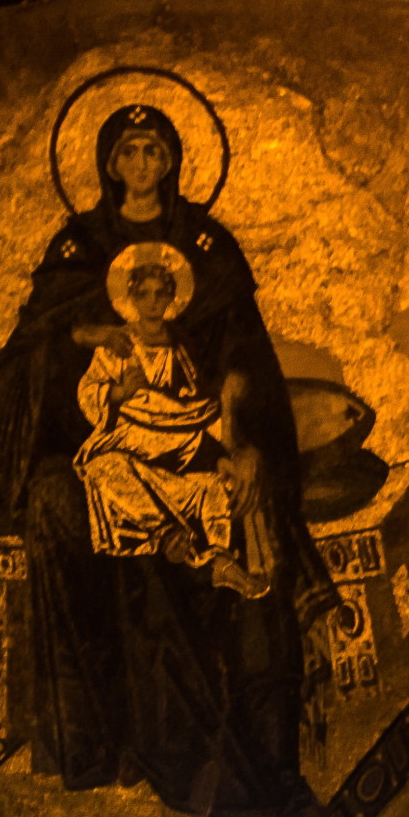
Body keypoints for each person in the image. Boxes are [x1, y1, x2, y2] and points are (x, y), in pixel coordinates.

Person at [0, 102, 338, 817]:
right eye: (130, 152)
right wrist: (86, 336)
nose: (144, 165)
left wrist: (242, 440)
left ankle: (267, 757)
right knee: (64, 502)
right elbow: (27, 363)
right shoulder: (77, 251)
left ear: (173, 162)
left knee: (247, 511)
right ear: (109, 164)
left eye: (155, 151)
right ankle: (95, 741)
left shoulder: (207, 248)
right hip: (111, 450)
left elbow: (244, 361)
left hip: (198, 444)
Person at [74, 248, 270, 599]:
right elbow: (88, 392)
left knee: (216, 487)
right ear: (131, 297)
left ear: (171, 298)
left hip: (180, 445)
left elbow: (196, 407)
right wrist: (118, 392)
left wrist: (228, 428)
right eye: (143, 294)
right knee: (103, 469)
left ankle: (222, 560)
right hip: (131, 439)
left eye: (159, 294)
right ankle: (166, 534)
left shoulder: (183, 348)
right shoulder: (118, 344)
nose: (152, 302)